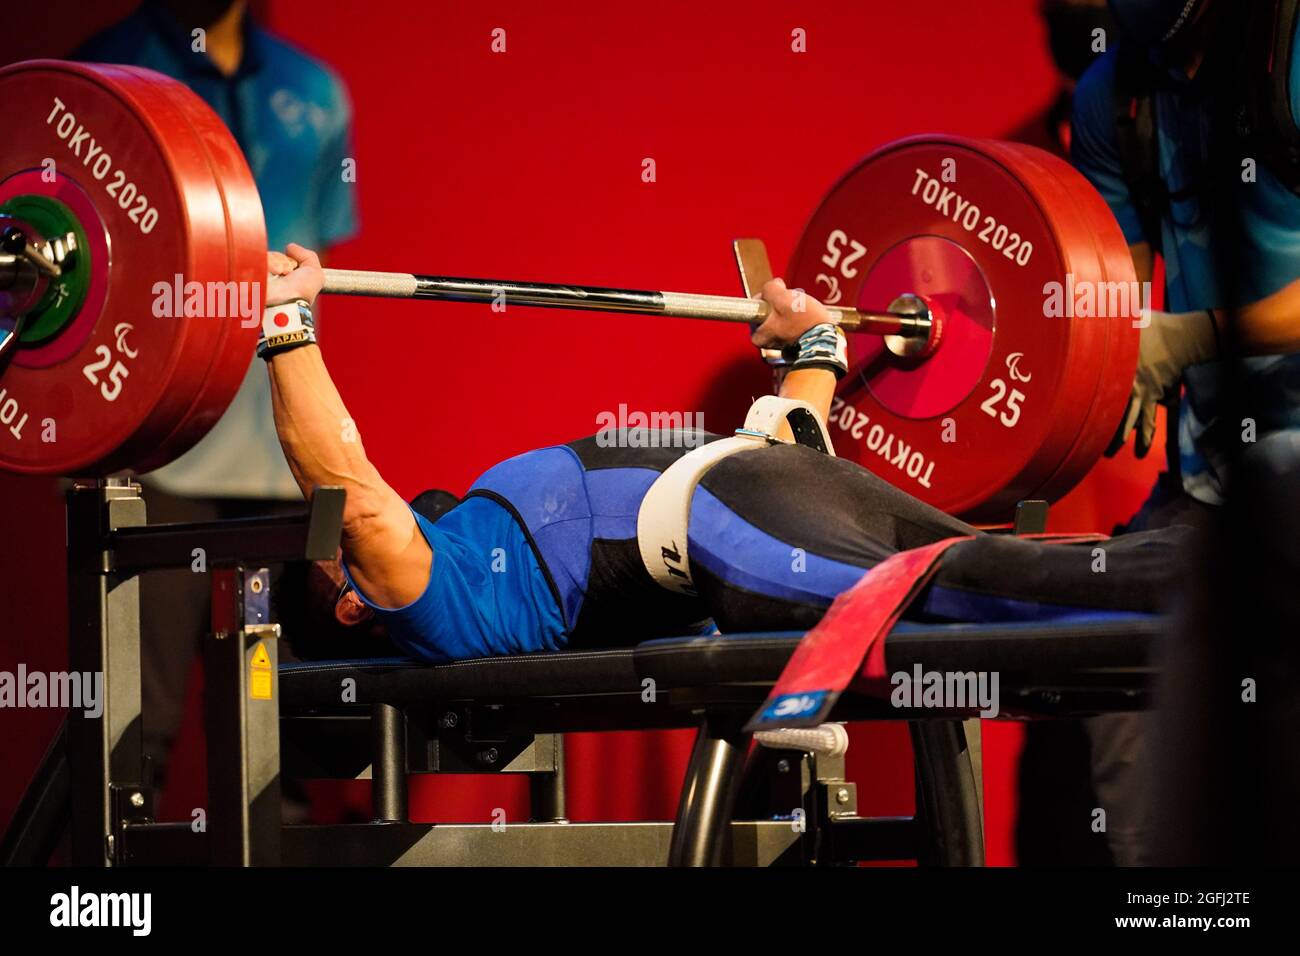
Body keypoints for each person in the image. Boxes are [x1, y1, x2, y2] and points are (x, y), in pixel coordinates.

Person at [262, 245, 1186, 664]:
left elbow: (768, 467)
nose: (375, 523)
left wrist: (812, 350)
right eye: (339, 553)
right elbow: (350, 491)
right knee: (995, 597)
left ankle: (1247, 577)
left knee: (1022, 570)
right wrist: (285, 329)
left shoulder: (479, 526)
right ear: (354, 599)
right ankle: (1249, 593)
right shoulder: (438, 606)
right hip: (728, 533)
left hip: (770, 488)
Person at [1017, 0, 1300, 865]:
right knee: (1116, 656)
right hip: (1210, 474)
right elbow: (1121, 287)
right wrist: (1112, 353)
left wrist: (1199, 334)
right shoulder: (1114, 97)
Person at [73, 0, 359, 787]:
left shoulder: (317, 91)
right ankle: (111, 906)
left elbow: (309, 268)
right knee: (137, 728)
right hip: (159, 451)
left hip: (287, 454)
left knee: (296, 723)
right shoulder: (101, 74)